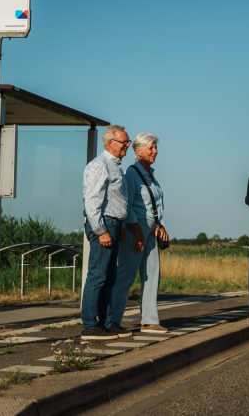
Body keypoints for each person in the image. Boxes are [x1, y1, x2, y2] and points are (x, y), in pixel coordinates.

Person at [110, 132, 170, 334]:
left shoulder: (150, 174)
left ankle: (150, 320)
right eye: (151, 148)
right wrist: (138, 233)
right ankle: (113, 321)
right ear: (138, 151)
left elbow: (154, 203)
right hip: (136, 230)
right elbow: (127, 205)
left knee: (152, 275)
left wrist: (160, 225)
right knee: (126, 276)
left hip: (151, 230)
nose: (155, 151)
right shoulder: (132, 174)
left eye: (155, 147)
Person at [81, 125, 136, 341]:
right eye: (124, 142)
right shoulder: (99, 165)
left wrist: (121, 226)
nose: (127, 146)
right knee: (97, 275)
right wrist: (101, 230)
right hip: (104, 225)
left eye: (128, 142)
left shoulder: (116, 166)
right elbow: (92, 201)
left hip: (115, 226)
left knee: (110, 277)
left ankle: (105, 322)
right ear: (109, 142)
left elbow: (117, 200)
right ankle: (89, 325)